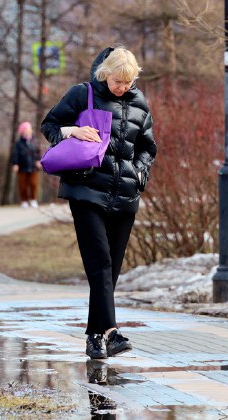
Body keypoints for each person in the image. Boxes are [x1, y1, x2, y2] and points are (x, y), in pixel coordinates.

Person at [40, 46, 157, 360]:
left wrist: (140, 173)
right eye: (118, 81)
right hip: (86, 191)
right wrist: (72, 130)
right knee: (100, 264)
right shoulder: (83, 94)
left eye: (128, 82)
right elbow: (48, 125)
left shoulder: (139, 102)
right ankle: (111, 333)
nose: (123, 87)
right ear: (106, 74)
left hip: (125, 196)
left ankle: (95, 338)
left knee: (110, 272)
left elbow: (148, 147)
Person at [11, 121, 41, 208]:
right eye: (26, 129)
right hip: (22, 167)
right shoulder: (18, 143)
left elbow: (38, 152)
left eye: (29, 129)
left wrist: (38, 160)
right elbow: (15, 154)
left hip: (33, 167)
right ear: (22, 131)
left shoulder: (35, 141)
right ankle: (24, 201)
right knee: (23, 185)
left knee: (33, 184)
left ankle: (33, 199)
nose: (29, 131)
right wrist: (15, 164)